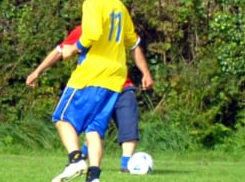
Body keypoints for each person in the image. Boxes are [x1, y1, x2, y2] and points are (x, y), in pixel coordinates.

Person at [32, 0, 132, 182]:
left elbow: (93, 33)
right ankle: (93, 179)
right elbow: (129, 39)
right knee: (94, 128)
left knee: (62, 117)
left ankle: (75, 159)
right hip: (115, 76)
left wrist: (73, 48)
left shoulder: (92, 3)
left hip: (91, 74)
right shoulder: (119, 6)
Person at [27, 18, 155, 173]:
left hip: (122, 86)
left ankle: (126, 164)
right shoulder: (84, 30)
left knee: (128, 123)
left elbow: (135, 47)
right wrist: (37, 71)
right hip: (96, 88)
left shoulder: (118, 31)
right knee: (91, 126)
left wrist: (146, 72)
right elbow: (59, 51)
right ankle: (81, 158)